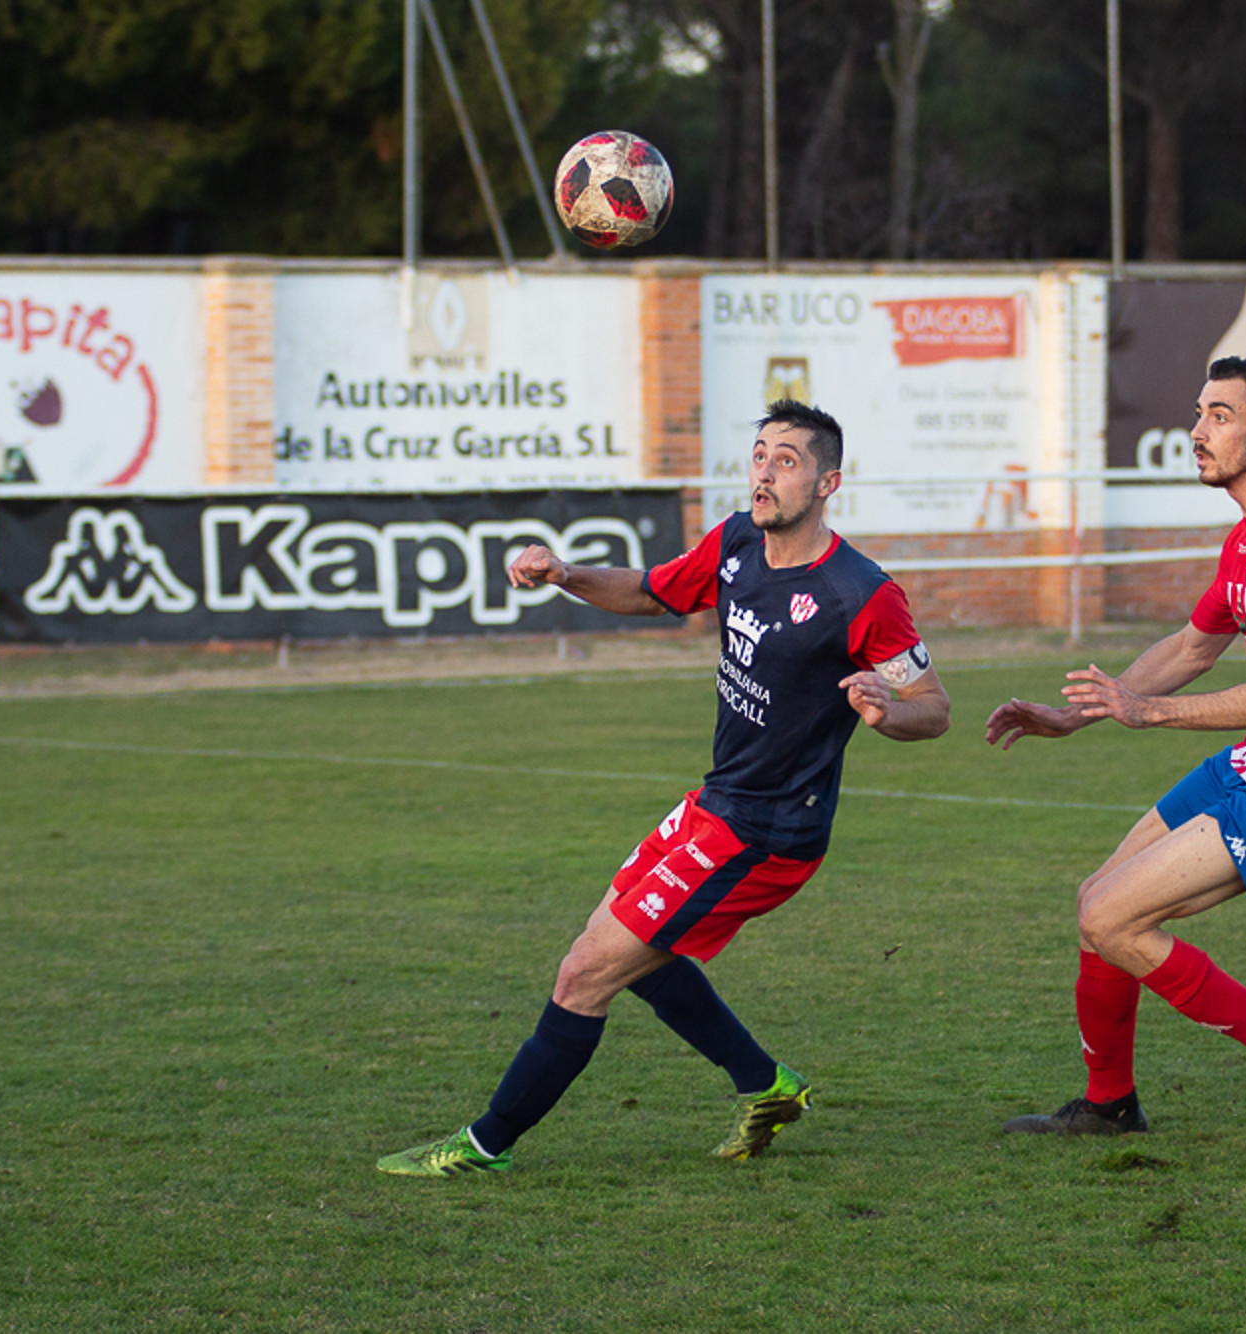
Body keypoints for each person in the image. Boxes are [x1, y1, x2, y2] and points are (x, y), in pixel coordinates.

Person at [379, 400, 951, 1176]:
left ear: (828, 483)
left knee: (587, 971)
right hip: (719, 803)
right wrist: (567, 575)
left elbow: (933, 707)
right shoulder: (737, 540)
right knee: (621, 945)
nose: (764, 473)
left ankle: (484, 1146)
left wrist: (886, 712)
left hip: (771, 833)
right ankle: (766, 1084)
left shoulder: (861, 593)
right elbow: (654, 592)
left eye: (787, 461)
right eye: (759, 455)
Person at [985, 357, 1246, 1148]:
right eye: (1199, 412)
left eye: (1220, 417)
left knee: (1110, 916)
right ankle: (1110, 1105)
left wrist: (1151, 712)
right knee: (1097, 905)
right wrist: (1077, 717)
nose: (1198, 430)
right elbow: (1193, 647)